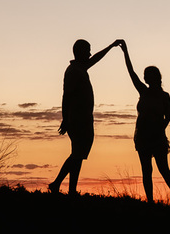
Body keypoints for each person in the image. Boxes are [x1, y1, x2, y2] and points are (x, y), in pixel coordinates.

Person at [48, 37, 121, 195]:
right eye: (87, 50)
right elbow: (66, 96)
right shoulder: (73, 71)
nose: (89, 54)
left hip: (84, 119)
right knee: (77, 154)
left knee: (78, 155)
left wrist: (111, 46)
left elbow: (96, 58)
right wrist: (65, 119)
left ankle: (70, 189)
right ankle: (57, 183)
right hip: (77, 119)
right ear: (79, 52)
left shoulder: (81, 68)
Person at [119, 40, 170, 207]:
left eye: (148, 74)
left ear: (155, 77)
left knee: (163, 169)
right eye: (145, 74)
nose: (145, 77)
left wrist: (159, 131)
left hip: (157, 137)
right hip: (143, 136)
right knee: (147, 171)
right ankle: (150, 202)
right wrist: (125, 52)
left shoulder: (164, 96)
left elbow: (167, 117)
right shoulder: (143, 91)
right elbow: (131, 72)